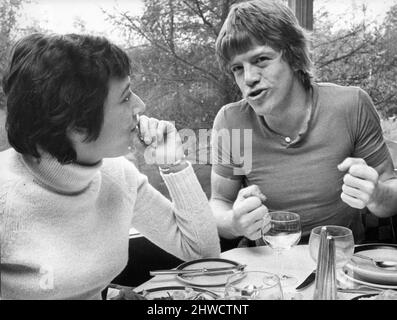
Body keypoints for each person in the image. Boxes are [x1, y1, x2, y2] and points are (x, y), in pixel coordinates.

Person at [0, 33, 220, 300]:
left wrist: (174, 165)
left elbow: (203, 254)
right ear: (77, 125)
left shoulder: (118, 175)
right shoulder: (5, 199)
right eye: (126, 97)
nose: (141, 105)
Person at [210, 0, 397, 248]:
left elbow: (390, 193)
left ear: (294, 56)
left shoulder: (352, 105)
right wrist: (233, 222)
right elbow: (219, 203)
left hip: (341, 265)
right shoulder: (232, 122)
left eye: (262, 59)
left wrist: (377, 194)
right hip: (268, 269)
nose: (249, 78)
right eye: (237, 68)